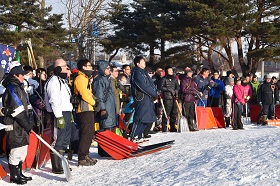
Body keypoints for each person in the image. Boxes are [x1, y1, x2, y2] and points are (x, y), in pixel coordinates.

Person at [2, 65, 35, 184]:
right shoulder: (12, 88)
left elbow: (27, 106)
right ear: (15, 75)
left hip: (22, 124)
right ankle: (14, 176)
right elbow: (17, 109)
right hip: (15, 124)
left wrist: (30, 121)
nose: (23, 76)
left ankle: (19, 173)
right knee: (16, 150)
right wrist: (26, 124)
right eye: (22, 75)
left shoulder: (20, 87)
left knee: (22, 150)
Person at [44, 58, 73, 174]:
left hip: (66, 111)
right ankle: (56, 166)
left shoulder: (62, 81)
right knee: (58, 139)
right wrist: (59, 116)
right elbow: (54, 100)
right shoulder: (53, 81)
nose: (67, 69)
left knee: (65, 139)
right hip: (58, 113)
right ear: (59, 68)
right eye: (65, 66)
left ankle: (61, 163)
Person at [74, 59, 97, 166]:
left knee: (89, 133)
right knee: (86, 133)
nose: (91, 68)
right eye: (89, 66)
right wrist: (93, 102)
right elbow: (84, 93)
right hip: (84, 108)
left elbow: (89, 92)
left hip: (89, 107)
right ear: (83, 67)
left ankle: (86, 154)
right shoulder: (80, 78)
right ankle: (82, 157)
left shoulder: (86, 78)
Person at [130, 56, 157, 141]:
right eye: (142, 61)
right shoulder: (136, 72)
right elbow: (142, 85)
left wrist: (154, 93)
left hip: (148, 98)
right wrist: (153, 93)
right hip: (141, 97)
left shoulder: (144, 73)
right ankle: (134, 136)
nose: (144, 63)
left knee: (147, 118)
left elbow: (151, 84)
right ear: (138, 63)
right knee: (140, 117)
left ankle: (140, 136)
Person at [93, 60, 117, 131]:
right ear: (102, 68)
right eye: (107, 68)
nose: (109, 70)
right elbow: (99, 95)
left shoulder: (106, 78)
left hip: (110, 107)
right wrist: (103, 109)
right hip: (106, 108)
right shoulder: (99, 80)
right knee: (107, 128)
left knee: (111, 127)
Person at [159, 66, 179, 132]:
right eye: (170, 70)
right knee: (166, 113)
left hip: (174, 97)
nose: (171, 71)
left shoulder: (174, 79)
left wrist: (176, 91)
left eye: (172, 70)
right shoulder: (164, 79)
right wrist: (169, 89)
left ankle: (173, 126)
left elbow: (177, 87)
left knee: (174, 113)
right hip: (167, 98)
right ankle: (164, 127)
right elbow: (161, 87)